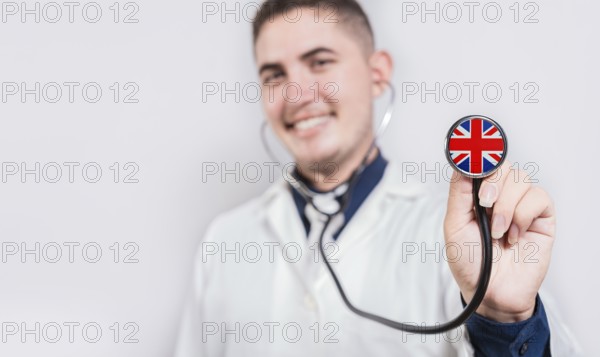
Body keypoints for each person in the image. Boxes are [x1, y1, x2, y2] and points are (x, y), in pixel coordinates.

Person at [175, 0, 581, 355]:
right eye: (274, 75)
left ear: (377, 73)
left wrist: (502, 320)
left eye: (319, 62)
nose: (296, 94)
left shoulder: (472, 236)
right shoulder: (226, 240)